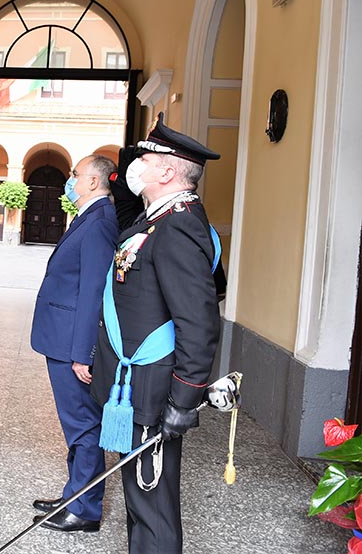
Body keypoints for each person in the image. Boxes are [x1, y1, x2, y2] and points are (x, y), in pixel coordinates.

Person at [90, 117, 223, 554]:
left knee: (152, 502)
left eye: (145, 160)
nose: (136, 167)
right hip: (136, 384)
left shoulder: (179, 226)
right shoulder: (157, 218)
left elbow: (198, 322)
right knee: (140, 496)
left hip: (152, 386)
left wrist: (183, 401)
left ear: (167, 171)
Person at [29, 155, 118, 533]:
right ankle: (74, 494)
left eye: (76, 175)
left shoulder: (99, 222)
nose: (71, 180)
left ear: (95, 182)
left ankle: (85, 508)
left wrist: (84, 353)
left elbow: (94, 292)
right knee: (76, 424)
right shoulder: (89, 217)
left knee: (82, 425)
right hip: (62, 337)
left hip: (72, 344)